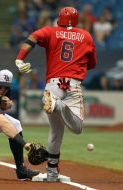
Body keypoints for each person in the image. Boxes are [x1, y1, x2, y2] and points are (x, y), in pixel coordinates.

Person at [14, 7, 97, 182]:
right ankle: (59, 106)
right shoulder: (86, 36)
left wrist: (20, 58)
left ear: (60, 18)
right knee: (77, 128)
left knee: (56, 131)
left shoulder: (51, 31)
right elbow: (92, 64)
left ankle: (52, 173)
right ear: (76, 20)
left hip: (53, 85)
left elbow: (32, 38)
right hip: (72, 85)